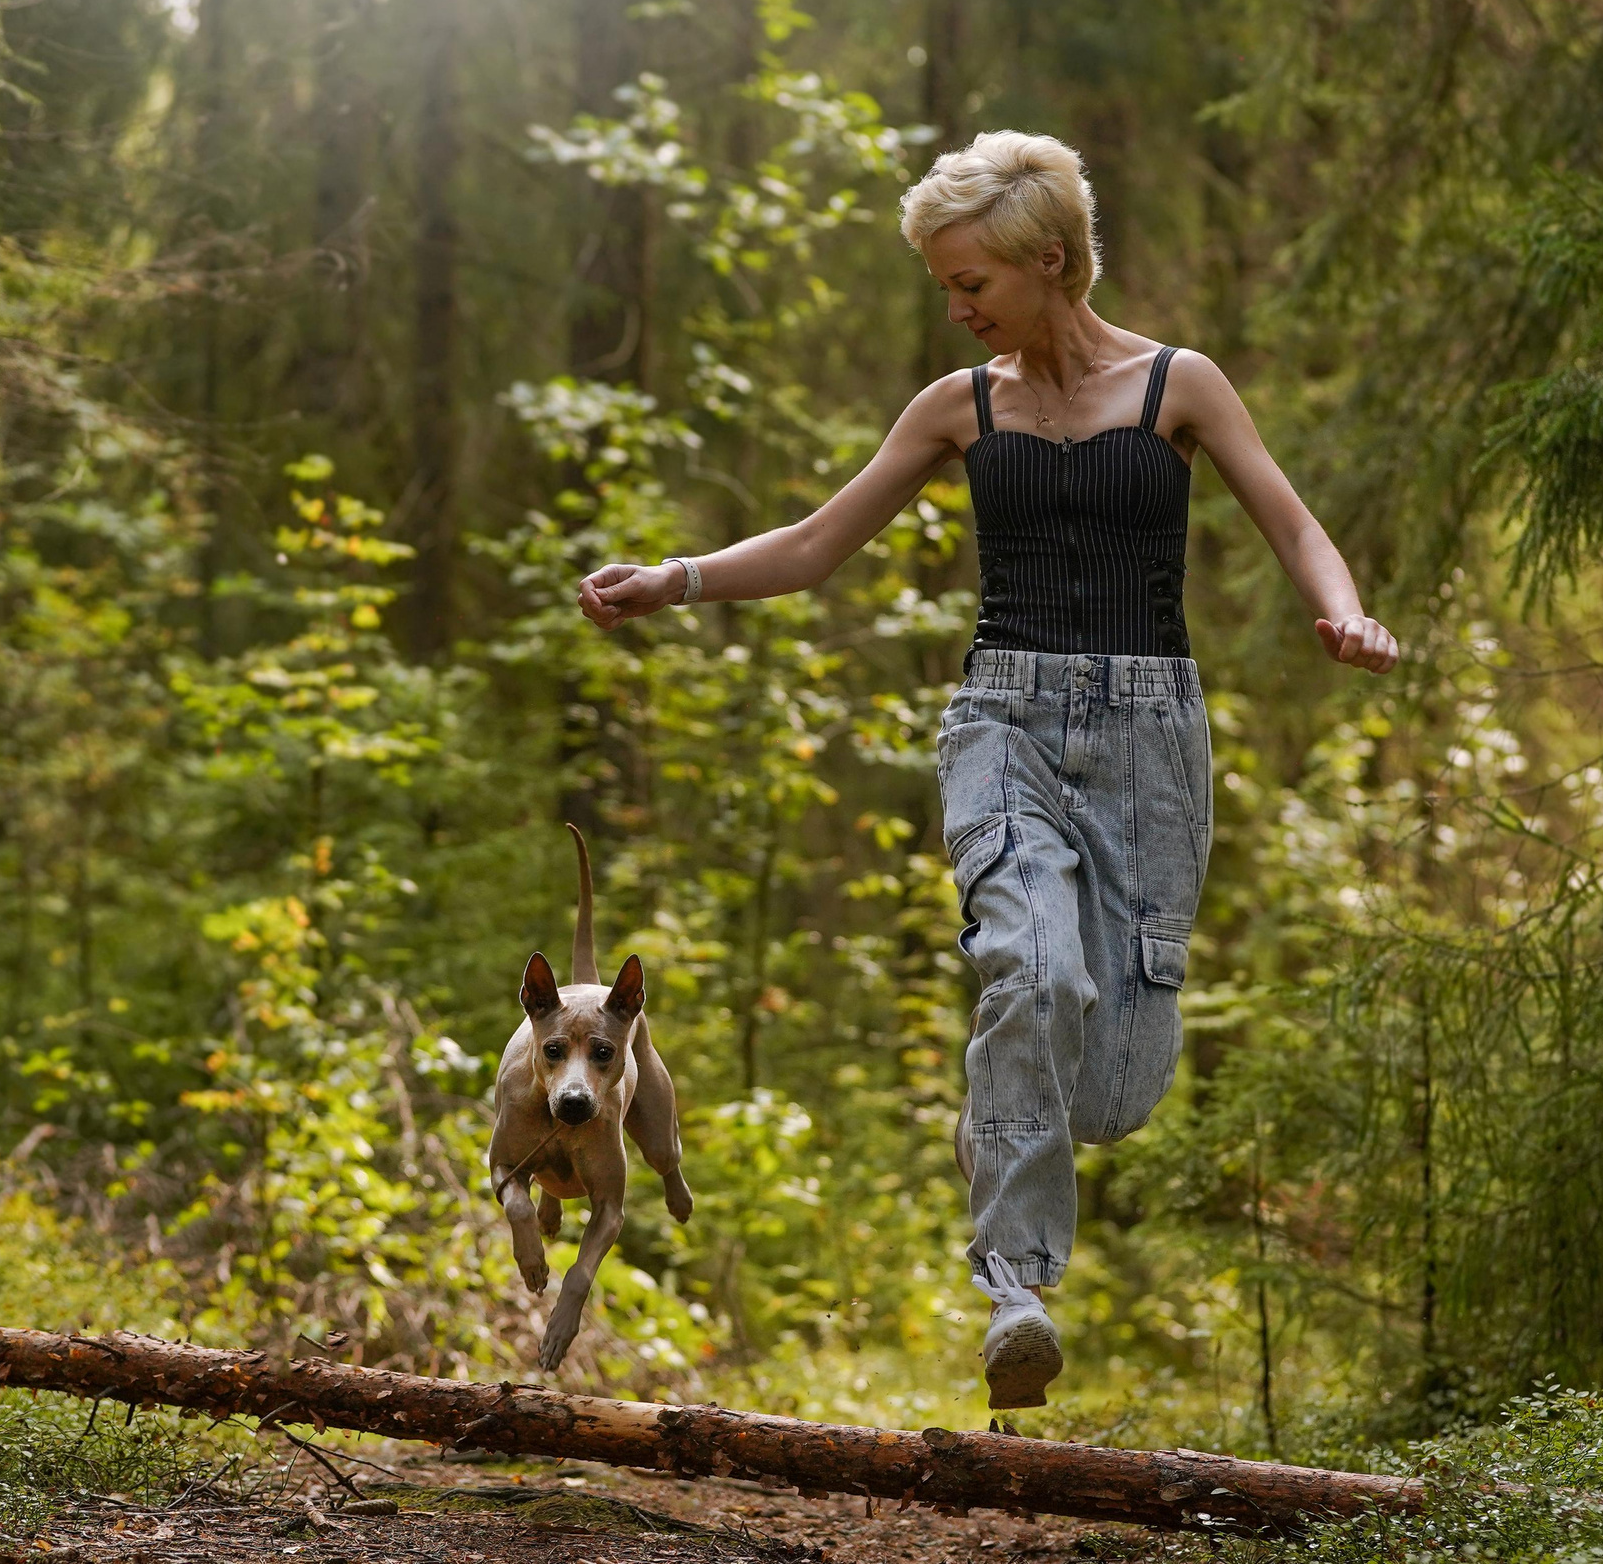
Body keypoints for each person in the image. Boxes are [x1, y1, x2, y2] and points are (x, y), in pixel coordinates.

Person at [575, 131, 1398, 1410]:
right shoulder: (959, 408)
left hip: (1149, 743)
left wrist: (1342, 611)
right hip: (1002, 722)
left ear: (1051, 261)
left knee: (1117, 1083)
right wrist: (674, 580)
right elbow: (811, 544)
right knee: (1029, 964)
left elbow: (1290, 519)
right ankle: (1015, 1288)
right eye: (946, 287)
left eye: (971, 284)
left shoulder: (1178, 386)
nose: (955, 309)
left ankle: (1005, 1110)